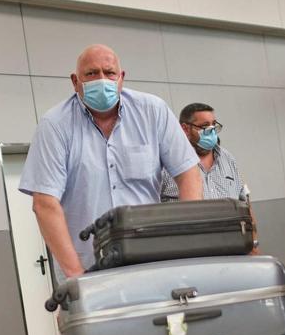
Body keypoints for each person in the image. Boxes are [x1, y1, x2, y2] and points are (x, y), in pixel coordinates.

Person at [20, 44, 202, 278]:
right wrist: (77, 278)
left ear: (121, 78)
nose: (102, 79)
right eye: (91, 74)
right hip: (88, 268)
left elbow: (188, 174)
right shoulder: (54, 125)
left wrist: (188, 241)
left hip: (152, 262)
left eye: (109, 72)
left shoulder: (152, 111)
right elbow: (44, 204)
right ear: (75, 81)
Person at [160, 103, 248, 201]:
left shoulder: (227, 158)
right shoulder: (167, 162)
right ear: (185, 129)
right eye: (205, 126)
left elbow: (244, 200)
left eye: (213, 124)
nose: (212, 132)